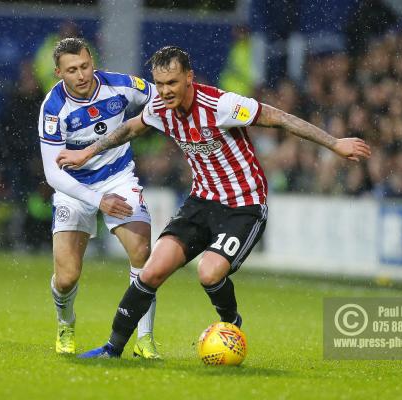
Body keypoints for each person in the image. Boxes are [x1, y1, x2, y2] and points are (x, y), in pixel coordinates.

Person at [56, 46, 371, 358]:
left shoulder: (222, 105)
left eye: (173, 83)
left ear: (189, 78)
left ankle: (231, 325)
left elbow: (281, 119)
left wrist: (335, 144)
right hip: (201, 202)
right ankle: (112, 350)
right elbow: (129, 128)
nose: (165, 91)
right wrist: (85, 153)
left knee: (208, 272)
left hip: (244, 205)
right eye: (160, 84)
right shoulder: (159, 109)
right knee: (150, 272)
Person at [38, 38, 161, 358]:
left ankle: (145, 339)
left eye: (84, 66)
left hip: (119, 179)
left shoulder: (121, 85)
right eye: (71, 70)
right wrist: (96, 199)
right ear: (58, 73)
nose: (80, 75)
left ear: (92, 60)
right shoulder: (53, 109)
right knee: (66, 279)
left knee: (142, 251)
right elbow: (54, 175)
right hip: (74, 190)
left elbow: (162, 98)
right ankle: (65, 323)